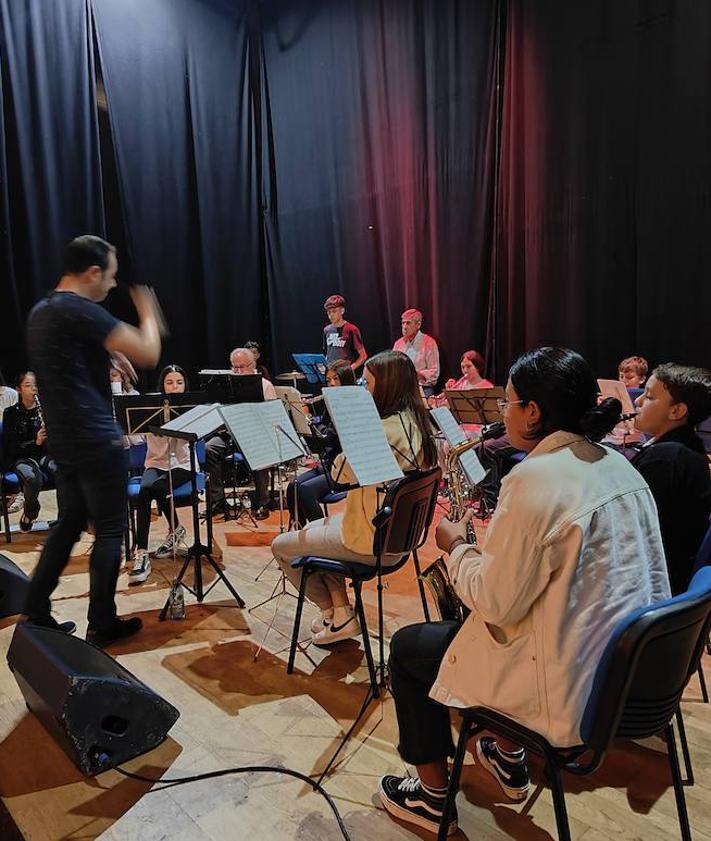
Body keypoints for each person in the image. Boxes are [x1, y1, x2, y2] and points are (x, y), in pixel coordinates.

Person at [377, 347, 670, 837]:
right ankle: (504, 753)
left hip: (564, 684)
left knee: (410, 649)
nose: (502, 414)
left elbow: (497, 602)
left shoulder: (534, 478)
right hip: (623, 673)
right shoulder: (622, 466)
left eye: (508, 403)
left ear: (533, 411)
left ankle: (431, 798)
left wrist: (456, 549)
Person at [23, 234, 162, 646]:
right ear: (94, 272)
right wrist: (149, 312)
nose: (114, 285)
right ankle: (102, 622)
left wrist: (103, 355)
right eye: (112, 276)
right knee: (110, 532)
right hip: (96, 438)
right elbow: (148, 351)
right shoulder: (81, 309)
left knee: (67, 524)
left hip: (64, 440)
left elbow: (70, 365)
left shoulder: (42, 311)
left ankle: (36, 608)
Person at [273, 350, 437, 644]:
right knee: (313, 528)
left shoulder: (383, 431)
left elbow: (338, 474)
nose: (363, 389)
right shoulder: (416, 423)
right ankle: (340, 612)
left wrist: (352, 431)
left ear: (385, 387)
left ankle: (333, 612)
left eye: (368, 383)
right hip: (400, 538)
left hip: (370, 540)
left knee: (282, 547)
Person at [632, 363, 711, 594]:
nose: (637, 402)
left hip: (657, 585)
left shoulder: (665, 460)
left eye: (649, 397)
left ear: (676, 411)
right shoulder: (687, 447)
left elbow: (634, 532)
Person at [129, 365, 192, 585]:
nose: (175, 387)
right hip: (155, 462)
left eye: (179, 382)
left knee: (158, 488)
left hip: (184, 463)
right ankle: (142, 553)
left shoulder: (190, 406)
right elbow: (137, 436)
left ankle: (175, 529)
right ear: (162, 385)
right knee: (145, 489)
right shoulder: (151, 404)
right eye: (170, 383)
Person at [205, 347, 277, 520]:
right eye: (234, 367)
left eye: (242, 367)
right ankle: (218, 501)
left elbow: (272, 417)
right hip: (231, 433)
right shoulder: (226, 385)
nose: (238, 371)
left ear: (252, 365)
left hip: (256, 435)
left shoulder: (265, 386)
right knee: (210, 448)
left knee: (260, 452)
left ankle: (262, 502)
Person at [285, 359, 355, 526]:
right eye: (329, 380)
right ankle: (298, 529)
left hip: (345, 468)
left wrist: (307, 417)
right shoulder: (331, 404)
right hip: (330, 463)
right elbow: (323, 431)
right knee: (292, 487)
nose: (331, 384)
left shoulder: (349, 405)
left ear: (346, 380)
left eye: (336, 379)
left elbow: (327, 436)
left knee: (305, 490)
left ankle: (321, 533)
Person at [1, 371, 58, 530]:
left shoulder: (46, 411)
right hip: (21, 457)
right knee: (32, 478)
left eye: (35, 385)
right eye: (28, 385)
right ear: (19, 389)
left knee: (62, 471)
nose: (34, 389)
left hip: (43, 455)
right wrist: (37, 441)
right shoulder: (10, 413)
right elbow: (12, 447)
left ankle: (64, 519)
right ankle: (31, 513)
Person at [393, 308, 440, 397]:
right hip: (401, 389)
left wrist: (414, 373)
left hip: (422, 389)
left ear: (418, 325)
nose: (404, 327)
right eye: (403, 323)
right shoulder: (398, 344)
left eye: (408, 323)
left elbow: (434, 373)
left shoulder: (429, 343)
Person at [322, 294, 367, 370]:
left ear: (342, 311)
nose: (331, 315)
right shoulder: (327, 330)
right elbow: (327, 354)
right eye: (329, 312)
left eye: (334, 311)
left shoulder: (351, 329)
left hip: (344, 374)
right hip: (331, 374)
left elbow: (363, 356)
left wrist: (349, 370)